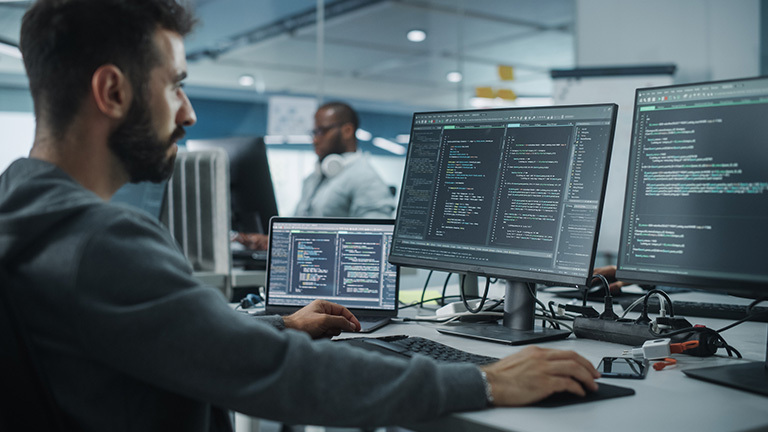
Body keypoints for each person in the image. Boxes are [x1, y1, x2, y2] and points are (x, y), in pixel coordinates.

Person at [0, 1, 599, 430]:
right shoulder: (101, 241)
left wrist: (279, 326)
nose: (186, 114)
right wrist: (487, 381)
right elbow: (282, 378)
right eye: (175, 86)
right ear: (113, 92)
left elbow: (182, 344)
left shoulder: (24, 217)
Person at [236, 102, 396, 250]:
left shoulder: (366, 179)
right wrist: (272, 241)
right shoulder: (314, 178)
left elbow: (374, 243)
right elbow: (297, 230)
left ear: (347, 131)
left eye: (322, 131)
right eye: (313, 132)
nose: (315, 139)